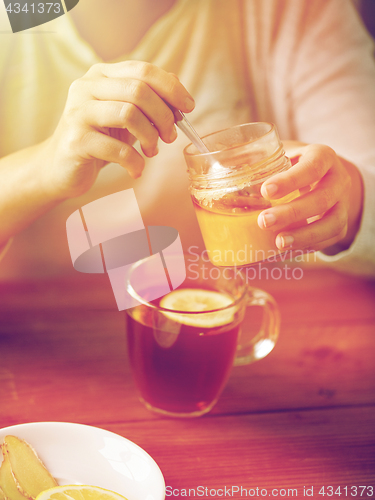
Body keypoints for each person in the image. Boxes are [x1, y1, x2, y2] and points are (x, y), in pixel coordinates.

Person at [0, 0, 374, 279]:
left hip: (231, 328)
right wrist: (44, 167)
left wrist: (347, 195)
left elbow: (362, 175)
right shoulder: (13, 21)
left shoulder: (287, 9)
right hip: (45, 347)